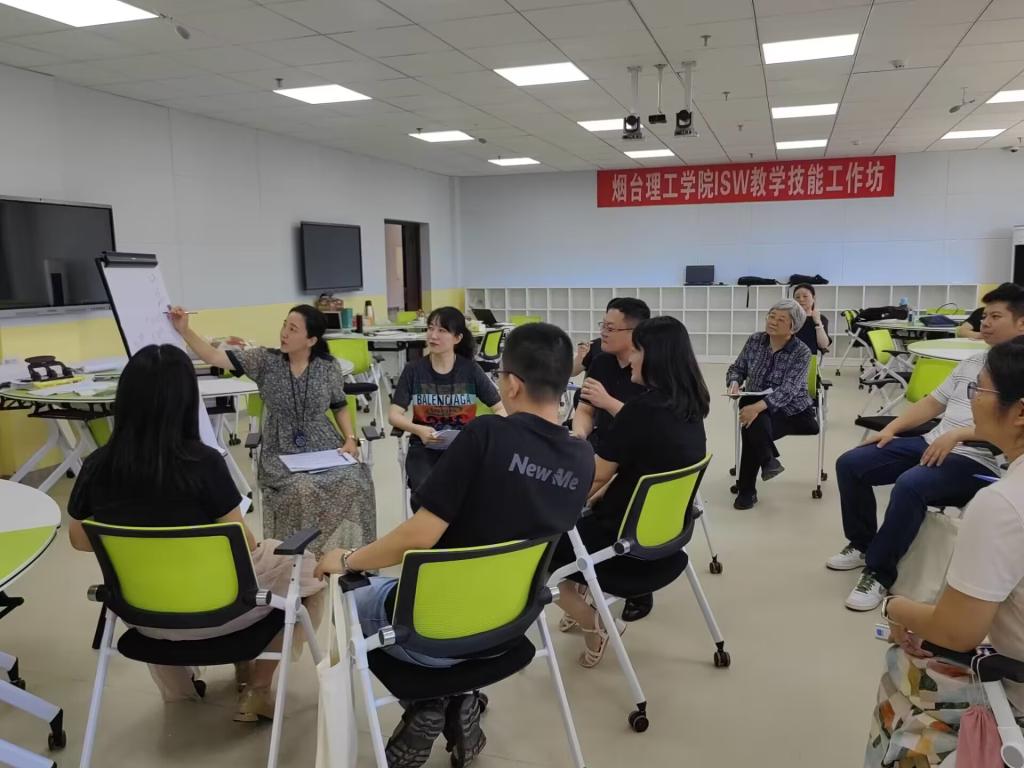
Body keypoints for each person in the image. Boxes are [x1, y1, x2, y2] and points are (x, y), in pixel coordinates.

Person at [315, 323, 594, 768]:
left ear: (512, 384)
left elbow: (418, 536)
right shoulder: (582, 458)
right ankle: (460, 698)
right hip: (508, 626)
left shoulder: (487, 435)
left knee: (347, 597)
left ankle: (428, 701)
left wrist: (347, 559)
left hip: (433, 632)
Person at [67, 344, 324, 722]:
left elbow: (79, 538)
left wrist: (142, 543)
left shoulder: (97, 465)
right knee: (311, 569)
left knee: (150, 576)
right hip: (218, 613)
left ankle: (180, 692)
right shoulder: (203, 463)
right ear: (187, 401)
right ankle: (258, 688)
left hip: (143, 616)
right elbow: (243, 542)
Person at [865, 337, 1024, 767]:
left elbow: (955, 633)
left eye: (979, 390)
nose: (970, 400)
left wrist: (894, 607)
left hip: (1013, 692)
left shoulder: (1003, 503)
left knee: (902, 663)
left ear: (1020, 412)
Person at [830, 282, 1024, 611]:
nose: (985, 323)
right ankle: (862, 543)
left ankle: (879, 572)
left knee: (911, 485)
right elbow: (933, 402)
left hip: (978, 460)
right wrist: (891, 428)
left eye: (995, 317)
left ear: (1021, 323)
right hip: (932, 442)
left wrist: (959, 435)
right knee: (851, 464)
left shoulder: (1018, 372)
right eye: (984, 316)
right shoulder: (973, 361)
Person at [552, 316, 709, 667]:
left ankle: (594, 623)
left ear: (654, 356)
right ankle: (581, 598)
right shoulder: (692, 405)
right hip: (667, 538)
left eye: (636, 351)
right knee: (579, 521)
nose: (631, 359)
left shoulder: (643, 411)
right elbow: (637, 468)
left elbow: (595, 476)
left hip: (624, 544)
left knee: (538, 551)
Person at [169, 304, 376, 553]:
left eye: (293, 329)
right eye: (284, 325)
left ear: (311, 340)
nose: (284, 333)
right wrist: (185, 330)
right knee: (302, 488)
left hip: (323, 443)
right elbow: (213, 357)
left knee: (356, 479)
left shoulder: (327, 366)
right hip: (280, 449)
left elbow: (339, 406)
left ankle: (341, 554)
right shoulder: (264, 361)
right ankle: (300, 555)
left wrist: (350, 438)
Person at [571, 297, 653, 620]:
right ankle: (579, 580)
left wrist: (608, 402)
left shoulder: (648, 368)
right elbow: (585, 408)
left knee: (596, 503)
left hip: (633, 456)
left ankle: (636, 585)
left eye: (610, 328)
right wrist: (579, 435)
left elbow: (649, 426)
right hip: (599, 446)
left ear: (634, 332)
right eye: (602, 326)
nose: (602, 334)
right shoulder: (601, 362)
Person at [388, 307, 505, 509]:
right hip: (424, 447)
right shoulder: (414, 370)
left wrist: (485, 434)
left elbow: (500, 409)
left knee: (475, 491)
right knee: (426, 494)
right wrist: (418, 430)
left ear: (457, 338)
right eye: (430, 328)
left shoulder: (470, 370)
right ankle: (431, 528)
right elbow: (394, 415)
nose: (433, 335)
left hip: (464, 447)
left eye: (441, 330)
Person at [726, 299, 816, 511]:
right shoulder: (755, 340)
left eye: (781, 319)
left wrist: (756, 408)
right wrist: (734, 382)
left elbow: (789, 389)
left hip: (793, 412)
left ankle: (748, 489)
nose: (772, 322)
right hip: (759, 407)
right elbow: (737, 368)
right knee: (753, 416)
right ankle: (767, 462)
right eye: (771, 316)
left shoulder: (801, 351)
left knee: (751, 424)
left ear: (793, 327)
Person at [792, 283, 831, 353]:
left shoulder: (820, 318)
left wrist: (818, 322)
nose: (801, 299)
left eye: (805, 296)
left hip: (810, 357)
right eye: (797, 297)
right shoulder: (788, 316)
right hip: (788, 356)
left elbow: (823, 345)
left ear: (814, 298)